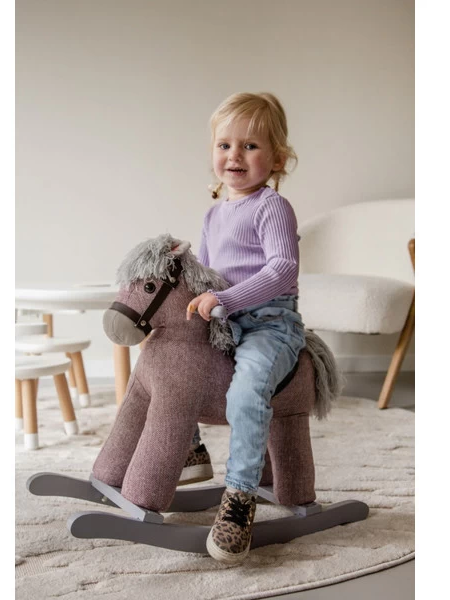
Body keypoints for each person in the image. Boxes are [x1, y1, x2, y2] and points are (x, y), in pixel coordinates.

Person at [185, 92, 306, 564]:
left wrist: (227, 299)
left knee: (245, 392)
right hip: (225, 320)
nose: (234, 155)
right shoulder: (213, 214)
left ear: (277, 159)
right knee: (171, 357)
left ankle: (239, 499)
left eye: (250, 146)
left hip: (269, 324)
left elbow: (282, 269)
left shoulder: (271, 206)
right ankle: (190, 448)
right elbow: (207, 276)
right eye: (225, 145)